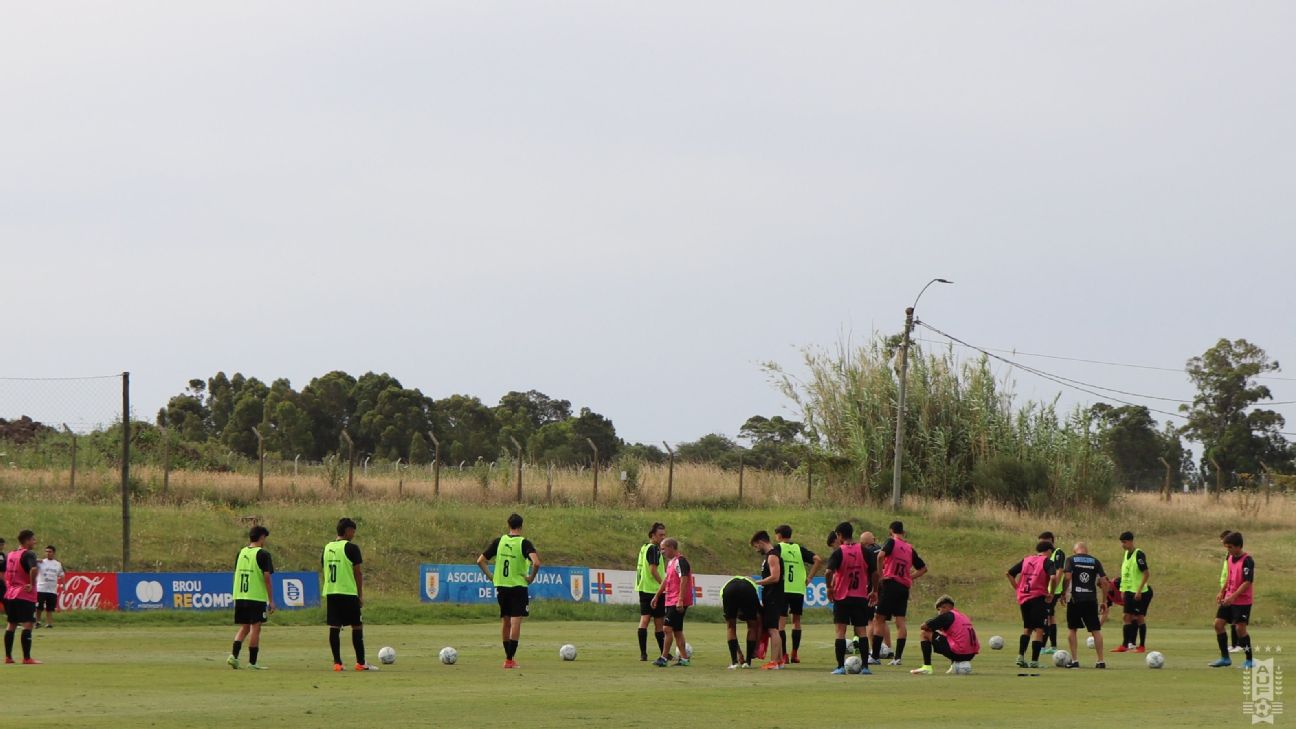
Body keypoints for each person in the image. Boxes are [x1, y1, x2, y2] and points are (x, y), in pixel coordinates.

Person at [477, 513, 541, 669]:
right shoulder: (524, 543)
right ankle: (510, 659)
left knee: (505, 621)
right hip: (518, 586)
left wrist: (491, 577)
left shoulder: (499, 542)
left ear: (508, 525)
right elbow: (537, 563)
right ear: (521, 526)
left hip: (502, 586)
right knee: (515, 621)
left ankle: (508, 659)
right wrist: (531, 578)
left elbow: (480, 561)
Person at [871, 521, 927, 666]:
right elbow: (923, 569)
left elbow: (880, 556)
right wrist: (909, 577)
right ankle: (897, 658)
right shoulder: (909, 548)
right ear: (903, 532)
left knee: (879, 619)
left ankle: (875, 656)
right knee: (900, 622)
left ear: (891, 531)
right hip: (903, 587)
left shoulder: (891, 542)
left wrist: (880, 573)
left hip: (890, 584)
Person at [825, 521, 877, 675]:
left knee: (840, 631)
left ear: (839, 535)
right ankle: (866, 667)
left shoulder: (838, 552)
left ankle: (840, 667)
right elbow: (875, 573)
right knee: (861, 631)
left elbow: (828, 572)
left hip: (842, 597)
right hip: (860, 596)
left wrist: (829, 588)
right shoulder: (864, 550)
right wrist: (874, 590)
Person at [323, 517, 374, 671]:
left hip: (331, 592)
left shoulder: (327, 547)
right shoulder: (352, 548)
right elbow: (357, 573)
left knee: (334, 626)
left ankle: (337, 663)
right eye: (353, 531)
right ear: (347, 531)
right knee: (357, 626)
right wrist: (360, 595)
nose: (354, 534)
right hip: (347, 592)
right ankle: (360, 663)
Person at [774, 524, 822, 664]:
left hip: (783, 588)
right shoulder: (798, 549)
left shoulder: (778, 548)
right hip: (798, 589)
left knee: (781, 623)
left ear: (779, 536)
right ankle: (795, 653)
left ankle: (784, 655)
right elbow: (818, 559)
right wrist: (810, 577)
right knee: (796, 621)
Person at [228, 526, 275, 670]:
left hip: (240, 595)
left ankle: (233, 656)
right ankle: (252, 662)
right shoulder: (263, 554)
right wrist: (271, 600)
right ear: (261, 537)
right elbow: (267, 578)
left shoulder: (240, 553)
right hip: (255, 596)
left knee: (245, 627)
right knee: (256, 627)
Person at [1006, 540, 1057, 669]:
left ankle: (1020, 657)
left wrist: (1018, 589)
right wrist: (1051, 593)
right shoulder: (1047, 561)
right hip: (1038, 598)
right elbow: (1053, 577)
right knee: (1039, 629)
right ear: (1049, 551)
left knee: (1027, 628)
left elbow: (1009, 573)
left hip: (1024, 598)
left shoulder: (1026, 560)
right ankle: (1034, 661)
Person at [1211, 531, 1255, 669]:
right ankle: (1225, 658)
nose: (1228, 550)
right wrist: (1222, 592)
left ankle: (1249, 660)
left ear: (1238, 546)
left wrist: (1233, 597)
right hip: (1229, 598)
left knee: (1240, 629)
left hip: (1242, 601)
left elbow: (1247, 582)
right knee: (1218, 624)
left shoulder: (1247, 560)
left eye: (1230, 547)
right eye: (1227, 547)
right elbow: (1229, 578)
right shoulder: (1229, 558)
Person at [1062, 541, 1107, 668]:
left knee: (1072, 629)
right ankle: (1100, 661)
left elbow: (1067, 577)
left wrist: (1063, 592)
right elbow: (1104, 581)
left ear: (1074, 550)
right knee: (1096, 630)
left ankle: (1075, 660)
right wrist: (1104, 601)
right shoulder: (1095, 561)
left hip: (1075, 599)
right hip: (1091, 600)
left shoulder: (1071, 560)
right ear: (1086, 551)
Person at [910, 594, 979, 675]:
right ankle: (953, 666)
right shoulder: (962, 615)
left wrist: (933, 626)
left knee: (924, 633)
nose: (939, 612)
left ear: (945, 607)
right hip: (971, 654)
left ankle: (927, 667)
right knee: (951, 636)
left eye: (939, 609)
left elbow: (923, 626)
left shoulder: (947, 615)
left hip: (959, 653)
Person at [650, 538, 693, 667]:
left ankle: (663, 658)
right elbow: (666, 580)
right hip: (671, 600)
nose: (662, 552)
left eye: (663, 549)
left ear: (671, 547)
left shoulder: (680, 561)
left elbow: (684, 579)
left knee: (667, 628)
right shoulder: (670, 563)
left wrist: (680, 599)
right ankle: (684, 659)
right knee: (677, 630)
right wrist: (657, 596)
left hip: (677, 601)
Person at [4, 530, 41, 664]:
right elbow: (33, 569)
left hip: (10, 594)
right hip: (24, 594)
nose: (35, 542)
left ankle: (8, 657)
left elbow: (5, 572)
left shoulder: (11, 554)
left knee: (11, 625)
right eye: (33, 539)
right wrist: (31, 584)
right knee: (28, 624)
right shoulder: (29, 553)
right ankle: (27, 658)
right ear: (27, 541)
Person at [1112, 531, 1152, 653]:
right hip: (1129, 591)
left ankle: (1142, 646)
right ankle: (1124, 645)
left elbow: (1146, 573)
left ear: (1130, 541)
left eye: (1124, 542)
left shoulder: (1138, 554)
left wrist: (1139, 591)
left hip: (1139, 592)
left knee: (1139, 618)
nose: (1122, 545)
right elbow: (1125, 574)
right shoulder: (1126, 555)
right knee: (1126, 616)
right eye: (1121, 543)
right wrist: (1123, 590)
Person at [751, 531, 786, 670]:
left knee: (773, 629)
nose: (756, 549)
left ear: (761, 542)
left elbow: (775, 577)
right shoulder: (771, 555)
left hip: (774, 596)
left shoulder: (772, 555)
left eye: (756, 546)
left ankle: (774, 662)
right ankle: (779, 660)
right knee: (774, 628)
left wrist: (757, 582)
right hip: (771, 596)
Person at [636, 522, 667, 661]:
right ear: (653, 535)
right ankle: (663, 653)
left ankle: (643, 654)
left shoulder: (644, 547)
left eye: (664, 535)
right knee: (659, 622)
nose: (663, 538)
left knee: (644, 620)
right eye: (660, 535)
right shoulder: (654, 549)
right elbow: (653, 569)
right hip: (655, 590)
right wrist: (663, 585)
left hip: (643, 588)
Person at [860, 530, 891, 663]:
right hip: (886, 586)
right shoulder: (882, 549)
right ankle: (888, 648)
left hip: (873, 587)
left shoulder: (867, 552)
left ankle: (872, 651)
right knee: (881, 619)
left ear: (863, 543)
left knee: (870, 620)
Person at [721, 575, 762, 669]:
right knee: (751, 626)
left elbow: (730, 627)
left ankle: (734, 662)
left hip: (729, 590)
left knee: (730, 627)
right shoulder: (753, 586)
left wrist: (739, 654)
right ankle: (748, 662)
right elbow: (759, 623)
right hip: (748, 590)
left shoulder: (725, 587)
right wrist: (756, 648)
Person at [1038, 531, 1066, 654]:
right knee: (1050, 617)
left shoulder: (1058, 553)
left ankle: (1042, 646)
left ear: (1051, 540)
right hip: (1046, 589)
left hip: (1053, 591)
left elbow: (1060, 571)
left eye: (1044, 541)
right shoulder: (1043, 554)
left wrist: (1053, 590)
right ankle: (1053, 646)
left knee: (1045, 616)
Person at [1220, 530, 1243, 653]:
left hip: (1233, 592)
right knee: (1224, 621)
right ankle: (1234, 644)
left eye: (1227, 545)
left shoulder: (1236, 557)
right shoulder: (1229, 556)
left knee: (1236, 621)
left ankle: (1237, 644)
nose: (1225, 546)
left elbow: (1236, 577)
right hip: (1227, 590)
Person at [34, 545, 65, 629]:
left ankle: (49, 623)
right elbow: (31, 561)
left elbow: (61, 574)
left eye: (50, 551)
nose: (48, 553)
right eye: (46, 551)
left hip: (52, 590)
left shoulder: (57, 564)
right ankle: (37, 622)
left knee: (50, 608)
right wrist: (36, 560)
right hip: (41, 588)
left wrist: (64, 585)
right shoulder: (41, 562)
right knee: (39, 607)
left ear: (53, 553)